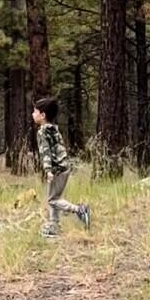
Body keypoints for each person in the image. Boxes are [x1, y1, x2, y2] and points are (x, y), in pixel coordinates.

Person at [32, 97, 91, 238]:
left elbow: (46, 152)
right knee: (54, 197)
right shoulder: (54, 129)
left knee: (52, 200)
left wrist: (48, 170)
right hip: (64, 166)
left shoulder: (42, 132)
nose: (32, 115)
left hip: (56, 169)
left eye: (34, 112)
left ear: (43, 115)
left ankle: (80, 210)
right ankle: (54, 225)